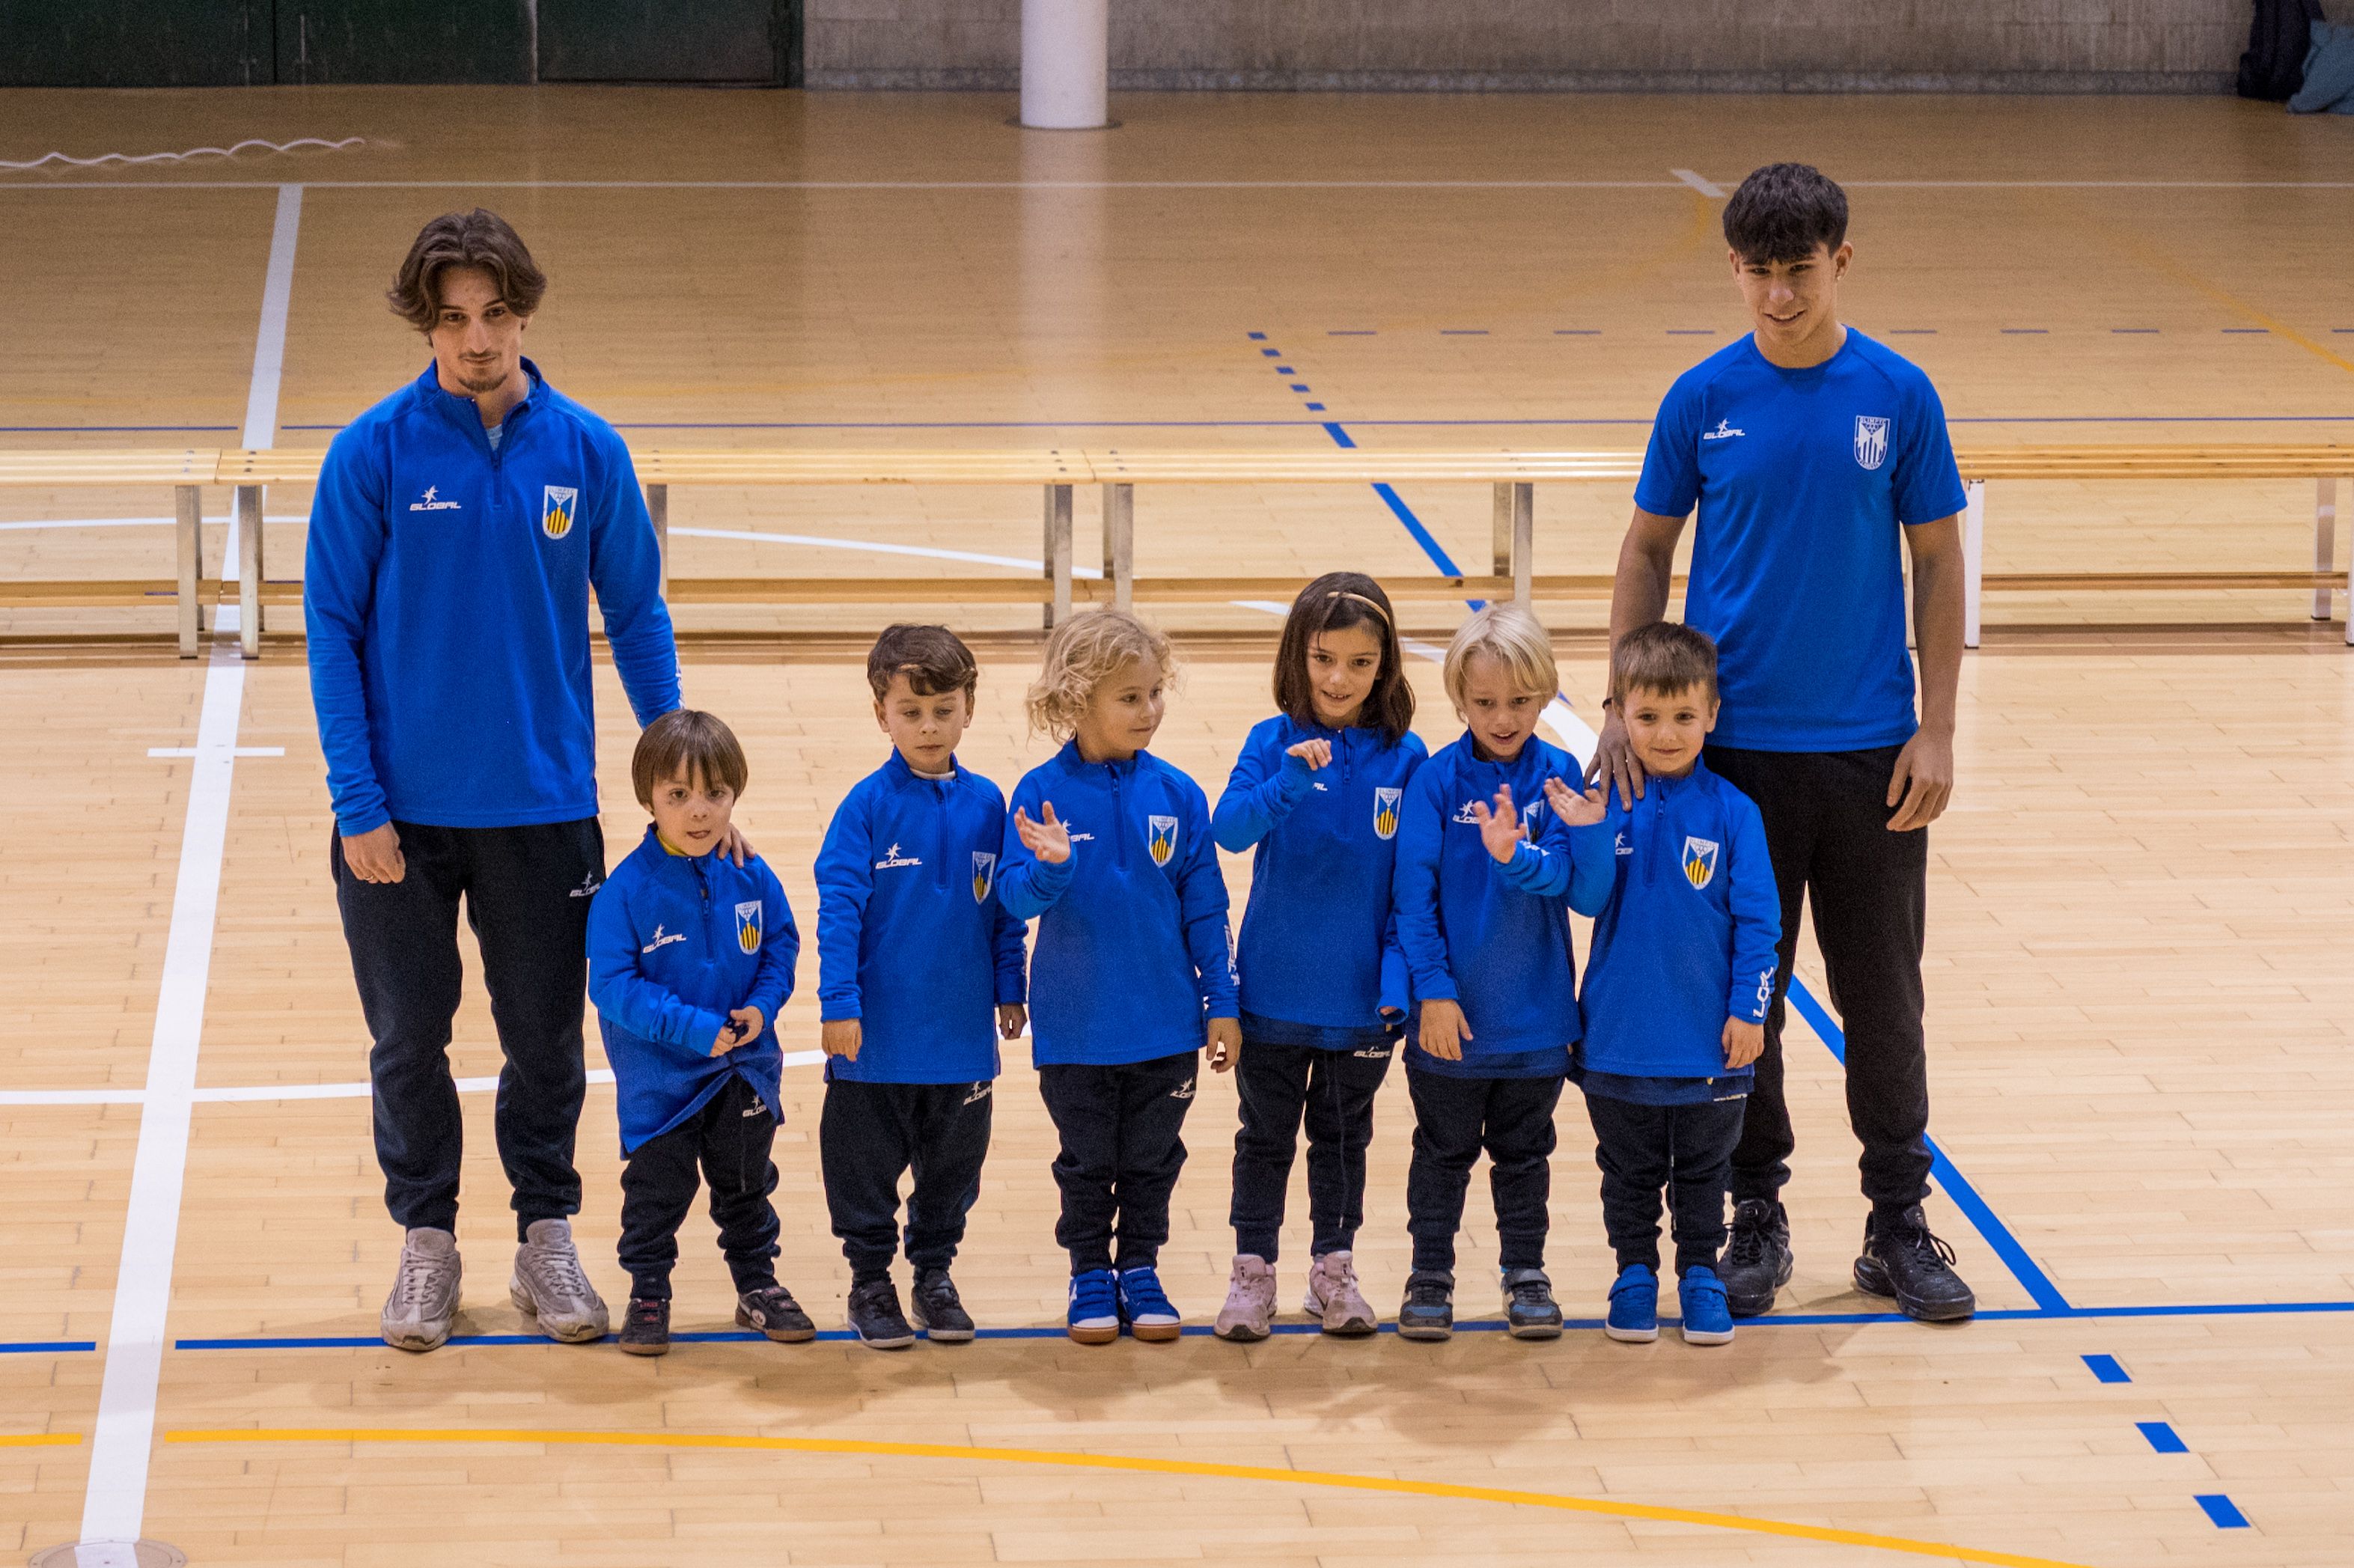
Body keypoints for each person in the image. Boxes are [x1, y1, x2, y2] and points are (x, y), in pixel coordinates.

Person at [1596, 162, 1975, 1323]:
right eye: (1756, 272)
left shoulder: (1898, 395)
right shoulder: (1700, 398)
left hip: (1869, 756)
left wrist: (1940, 725)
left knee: (1882, 998)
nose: (1776, 295)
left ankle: (1897, 1220)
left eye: (1797, 271)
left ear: (1841, 262)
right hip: (1734, 761)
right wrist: (1624, 703)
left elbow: (1940, 561)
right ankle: (1752, 1211)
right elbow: (1645, 551)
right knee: (1742, 994)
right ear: (1734, 269)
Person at [306, 207, 686, 1352]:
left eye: (496, 314)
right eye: (454, 319)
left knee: (545, 1042)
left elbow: (636, 611)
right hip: (401, 824)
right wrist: (358, 802)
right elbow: (329, 627)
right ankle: (426, 1243)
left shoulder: (588, 450)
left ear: (525, 310)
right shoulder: (371, 450)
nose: (477, 339)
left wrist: (683, 773)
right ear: (428, 326)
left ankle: (545, 1237)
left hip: (544, 809)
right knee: (406, 1042)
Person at [995, 610, 1242, 1345]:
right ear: (1078, 699)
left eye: (1154, 692)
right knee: (1086, 1160)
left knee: (1152, 1159)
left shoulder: (1179, 794)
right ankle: (1087, 1272)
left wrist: (1220, 1003)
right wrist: (1051, 871)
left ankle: (1139, 1266)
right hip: (1075, 1028)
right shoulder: (1040, 792)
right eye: (1129, 697)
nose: (1148, 710)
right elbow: (1011, 899)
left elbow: (1208, 908)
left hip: (1165, 1025)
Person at [1535, 623, 1778, 1348]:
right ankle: (1633, 1271)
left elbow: (1759, 925)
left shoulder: (1735, 813)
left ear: (1711, 713)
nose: (1665, 733)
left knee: (1705, 1172)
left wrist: (1748, 1009)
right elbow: (1583, 900)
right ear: (1620, 716)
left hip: (1711, 1042)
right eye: (1646, 717)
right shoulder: (1604, 798)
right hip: (1617, 1039)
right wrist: (1583, 829)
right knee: (1628, 1171)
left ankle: (1700, 1273)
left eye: (1682, 716)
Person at [1209, 573, 1427, 1342]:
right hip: (1271, 992)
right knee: (1262, 1139)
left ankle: (1333, 1270)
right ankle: (1251, 1273)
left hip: (1362, 1001)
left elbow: (1415, 884)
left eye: (1359, 663)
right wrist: (1288, 782)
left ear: (1385, 666)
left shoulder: (1407, 758)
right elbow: (1228, 830)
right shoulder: (1270, 744)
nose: (1338, 679)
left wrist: (1400, 983)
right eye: (1323, 658)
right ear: (1296, 657)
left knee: (1342, 1140)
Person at [814, 625, 1029, 1350]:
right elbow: (838, 908)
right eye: (911, 710)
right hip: (874, 1044)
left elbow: (1003, 909)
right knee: (864, 1173)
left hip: (960, 1040)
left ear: (969, 706)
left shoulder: (990, 804)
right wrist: (839, 1004)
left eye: (943, 708)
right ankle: (870, 1281)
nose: (929, 725)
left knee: (951, 1174)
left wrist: (1009, 985)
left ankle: (933, 1274)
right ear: (882, 713)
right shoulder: (866, 807)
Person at [1390, 603, 1600, 1343]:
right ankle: (1429, 1273)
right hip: (1450, 1022)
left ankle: (1525, 1269)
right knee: (1440, 1153)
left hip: (1536, 1019)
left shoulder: (1561, 778)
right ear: (1459, 701)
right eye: (1484, 703)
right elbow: (1412, 903)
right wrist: (1434, 993)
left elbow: (1579, 886)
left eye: (1519, 701)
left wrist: (1522, 858)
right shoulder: (1435, 781)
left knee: (1524, 1153)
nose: (1503, 717)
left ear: (1545, 695)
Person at [586, 711, 805, 1358]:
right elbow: (614, 986)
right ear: (648, 798)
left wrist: (762, 1008)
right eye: (678, 795)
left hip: (744, 1072)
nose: (700, 812)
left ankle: (757, 1285)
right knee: (656, 1194)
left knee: (746, 1185)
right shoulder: (625, 892)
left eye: (715, 794)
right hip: (664, 1087)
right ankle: (648, 1292)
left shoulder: (751, 873)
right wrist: (694, 1028)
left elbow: (780, 945)